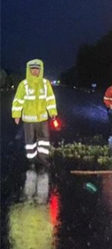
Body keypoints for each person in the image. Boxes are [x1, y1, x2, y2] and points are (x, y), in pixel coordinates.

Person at [11, 59, 58, 202]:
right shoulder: (23, 85)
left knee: (43, 141)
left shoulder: (45, 84)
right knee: (30, 142)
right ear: (29, 70)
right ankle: (31, 162)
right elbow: (18, 100)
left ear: (41, 70)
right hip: (29, 119)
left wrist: (53, 112)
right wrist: (16, 114)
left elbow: (50, 99)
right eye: (33, 69)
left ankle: (43, 162)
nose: (35, 71)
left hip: (42, 118)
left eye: (37, 69)